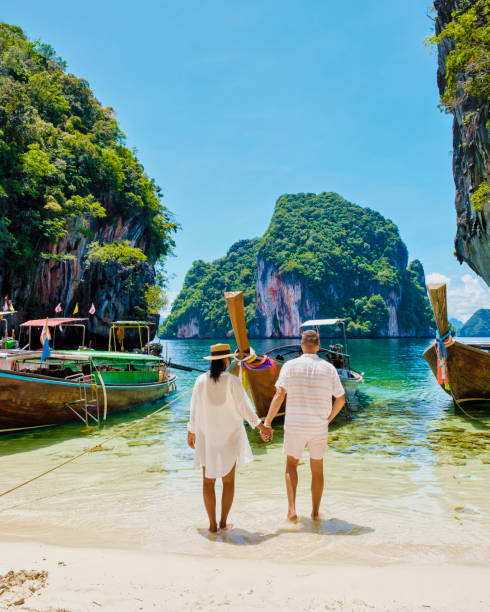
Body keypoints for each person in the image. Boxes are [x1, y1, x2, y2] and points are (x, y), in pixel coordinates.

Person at [187, 343, 272, 532]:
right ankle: (223, 523)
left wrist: (191, 431)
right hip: (229, 437)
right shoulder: (232, 381)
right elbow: (245, 407)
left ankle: (211, 525)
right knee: (228, 481)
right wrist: (261, 427)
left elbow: (194, 409)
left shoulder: (200, 380)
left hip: (207, 437)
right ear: (226, 361)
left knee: (208, 481)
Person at [264, 330, 345, 521]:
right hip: (318, 425)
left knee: (291, 465)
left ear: (301, 345)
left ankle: (292, 510)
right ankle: (315, 513)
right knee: (317, 470)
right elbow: (341, 399)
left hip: (294, 425)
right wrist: (329, 419)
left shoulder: (290, 366)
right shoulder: (329, 368)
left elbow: (279, 395)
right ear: (317, 346)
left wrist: (267, 422)